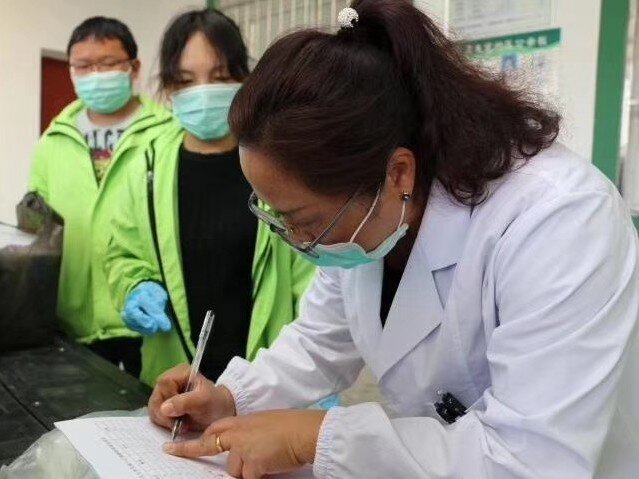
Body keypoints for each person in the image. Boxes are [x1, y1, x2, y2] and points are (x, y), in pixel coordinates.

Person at [148, 1, 639, 478]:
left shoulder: (558, 218)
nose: (297, 240)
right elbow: (320, 342)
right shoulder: (368, 213)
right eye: (276, 215)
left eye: (302, 219)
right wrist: (231, 398)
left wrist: (315, 437)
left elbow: (532, 459)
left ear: (398, 172)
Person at [104, 8, 315, 388]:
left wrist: (315, 380)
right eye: (186, 80)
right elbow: (122, 252)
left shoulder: (278, 162)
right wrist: (135, 286)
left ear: (243, 79)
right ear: (168, 89)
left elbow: (312, 272)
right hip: (171, 379)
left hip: (270, 377)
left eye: (219, 77)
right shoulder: (145, 165)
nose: (203, 91)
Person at [29, 17, 172, 376]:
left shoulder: (167, 133)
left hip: (151, 314)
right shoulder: (52, 141)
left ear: (133, 68)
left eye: (107, 64)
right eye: (83, 66)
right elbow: (37, 226)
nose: (95, 74)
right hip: (74, 316)